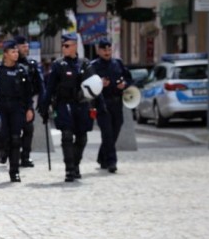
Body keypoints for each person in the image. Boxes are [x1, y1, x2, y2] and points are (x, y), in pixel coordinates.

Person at [40, 32, 101, 182]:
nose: (64, 48)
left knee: (82, 138)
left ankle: (76, 164)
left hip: (81, 105)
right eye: (63, 45)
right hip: (64, 104)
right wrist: (44, 107)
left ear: (75, 46)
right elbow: (50, 88)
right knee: (66, 136)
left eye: (67, 45)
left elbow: (94, 86)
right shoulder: (58, 65)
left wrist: (99, 105)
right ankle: (69, 169)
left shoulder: (85, 63)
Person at [0, 39, 32, 182]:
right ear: (5, 54)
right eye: (13, 51)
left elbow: (28, 93)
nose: (16, 54)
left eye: (17, 51)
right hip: (0, 109)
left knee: (15, 140)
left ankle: (14, 171)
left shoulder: (21, 71)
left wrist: (29, 108)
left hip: (16, 109)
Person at [89, 37, 132, 172]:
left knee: (115, 132)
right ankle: (111, 162)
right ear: (99, 51)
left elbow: (129, 78)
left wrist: (124, 84)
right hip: (102, 104)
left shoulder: (118, 63)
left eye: (109, 49)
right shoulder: (94, 66)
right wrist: (99, 84)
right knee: (107, 133)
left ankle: (102, 157)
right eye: (104, 50)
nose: (107, 52)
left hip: (117, 103)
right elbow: (88, 85)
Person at [14, 35, 43, 168]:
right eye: (23, 46)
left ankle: (25, 157)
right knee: (11, 132)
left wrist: (42, 100)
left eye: (27, 46)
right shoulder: (9, 64)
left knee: (28, 130)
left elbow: (40, 84)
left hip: (26, 103)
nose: (26, 48)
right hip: (12, 103)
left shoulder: (31, 65)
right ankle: (6, 153)